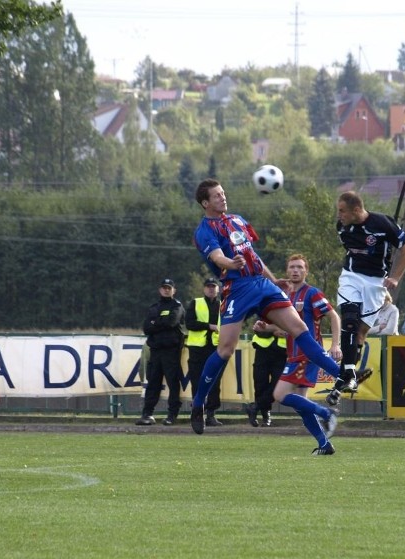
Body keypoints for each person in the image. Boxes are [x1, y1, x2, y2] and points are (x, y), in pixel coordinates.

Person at [190, 178, 345, 438]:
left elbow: (253, 255)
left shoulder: (237, 220)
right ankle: (198, 404)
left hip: (261, 284)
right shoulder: (204, 230)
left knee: (299, 327)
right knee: (225, 350)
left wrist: (274, 281)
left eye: (223, 193)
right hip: (236, 288)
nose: (223, 198)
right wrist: (231, 263)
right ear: (205, 203)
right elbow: (217, 257)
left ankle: (341, 376)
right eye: (216, 196)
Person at [330, 190, 405, 405]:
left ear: (356, 210)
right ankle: (349, 374)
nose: (339, 215)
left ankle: (345, 378)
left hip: (376, 283)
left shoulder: (383, 224)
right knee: (349, 319)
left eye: (342, 211)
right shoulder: (342, 227)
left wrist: (395, 277)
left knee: (360, 333)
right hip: (351, 276)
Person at [271, 254, 342, 454]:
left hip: (306, 355)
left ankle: (327, 413)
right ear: (286, 271)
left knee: (280, 394)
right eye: (292, 267)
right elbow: (287, 329)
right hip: (293, 355)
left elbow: (334, 316)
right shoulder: (286, 297)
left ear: (306, 271)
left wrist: (335, 344)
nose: (295, 270)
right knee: (302, 404)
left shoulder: (312, 293)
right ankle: (324, 445)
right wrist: (268, 327)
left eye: (299, 267)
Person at [137, 278, 185, 426]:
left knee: (173, 383)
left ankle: (172, 414)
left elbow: (172, 322)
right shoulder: (154, 306)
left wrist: (155, 322)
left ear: (174, 291)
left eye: (169, 288)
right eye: (164, 288)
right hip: (156, 351)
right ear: (160, 290)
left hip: (171, 351)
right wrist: (161, 322)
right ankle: (147, 414)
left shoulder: (177, 306)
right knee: (153, 383)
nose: (166, 290)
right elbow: (146, 328)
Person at [185, 277, 223, 426]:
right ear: (204, 289)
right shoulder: (196, 303)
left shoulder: (223, 305)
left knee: (215, 381)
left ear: (218, 289)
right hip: (197, 348)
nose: (211, 289)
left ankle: (211, 414)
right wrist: (209, 326)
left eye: (213, 286)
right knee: (197, 380)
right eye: (208, 286)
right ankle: (197, 412)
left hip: (215, 347)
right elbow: (189, 323)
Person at [245, 322, 287, 428]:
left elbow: (292, 328)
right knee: (260, 384)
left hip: (282, 351)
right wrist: (274, 331)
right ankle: (265, 416)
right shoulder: (265, 307)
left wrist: (276, 330)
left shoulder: (292, 307)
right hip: (262, 348)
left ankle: (255, 407)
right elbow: (258, 328)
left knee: (278, 384)